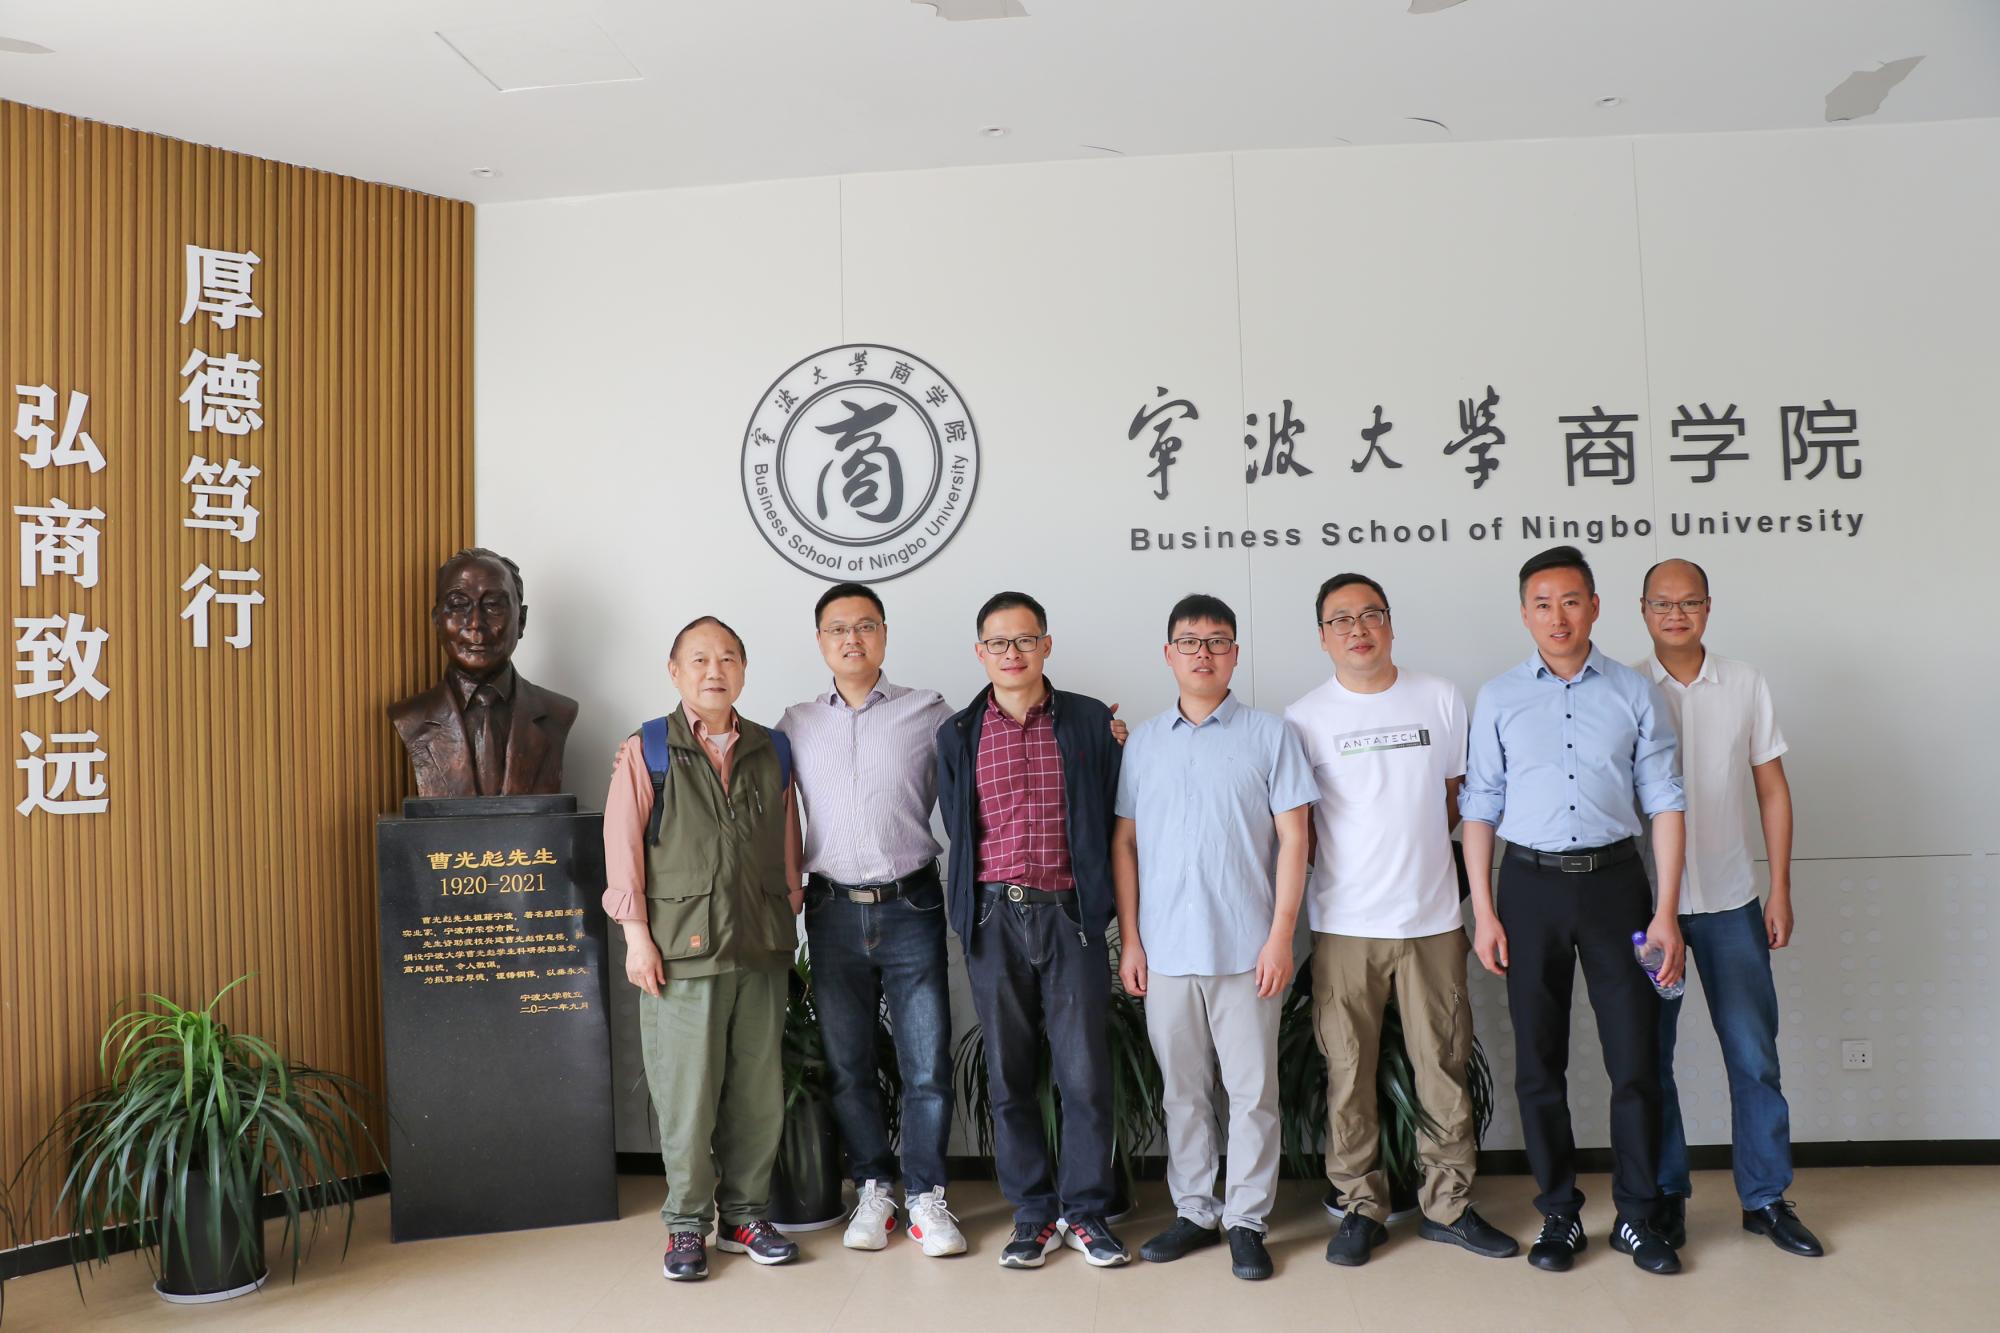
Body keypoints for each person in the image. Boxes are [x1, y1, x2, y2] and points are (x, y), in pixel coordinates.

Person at [1460, 545, 1687, 1276]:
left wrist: (1667, 912)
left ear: (1593, 606)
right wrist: (1485, 912)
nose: (1557, 616)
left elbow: (1666, 801)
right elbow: (1480, 805)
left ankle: (1637, 1216)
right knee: (1538, 1062)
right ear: (1525, 613)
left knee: (1635, 1059)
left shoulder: (1634, 692)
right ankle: (1558, 1212)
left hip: (1618, 885)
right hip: (1528, 889)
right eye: (1542, 603)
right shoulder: (1498, 696)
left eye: (1570, 601)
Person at [1283, 573, 1519, 1267]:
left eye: (1371, 615)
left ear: (1389, 624)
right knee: (1348, 1072)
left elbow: (1454, 798)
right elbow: (1302, 826)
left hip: (1432, 919)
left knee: (1442, 1064)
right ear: (1322, 636)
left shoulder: (1439, 697)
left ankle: (1449, 1206)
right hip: (1345, 924)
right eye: (1341, 619)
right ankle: (1360, 1205)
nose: (1357, 629)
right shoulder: (1303, 717)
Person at [1113, 593, 1315, 1282]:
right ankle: (1195, 1211)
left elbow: (1295, 839)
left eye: (1217, 641)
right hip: (1166, 951)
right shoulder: (1144, 742)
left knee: (1253, 1093)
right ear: (1168, 654)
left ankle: (1247, 1219)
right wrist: (1132, 940)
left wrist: (1281, 936)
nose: (1203, 653)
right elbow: (1125, 843)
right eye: (1190, 642)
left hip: (1248, 949)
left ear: (1235, 653)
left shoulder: (1271, 735)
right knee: (1183, 1092)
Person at [602, 616, 803, 1282]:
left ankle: (745, 1215)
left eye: (727, 658)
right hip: (681, 950)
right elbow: (622, 847)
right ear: (675, 671)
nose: (714, 670)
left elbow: (787, 838)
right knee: (686, 1097)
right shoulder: (649, 748)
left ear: (743, 668)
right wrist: (636, 937)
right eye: (699, 659)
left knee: (758, 1092)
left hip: (760, 945)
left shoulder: (772, 748)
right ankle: (687, 1224)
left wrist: (789, 905)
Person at [936, 591, 1128, 1269]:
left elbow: (1114, 815)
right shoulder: (958, 734)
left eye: (1024, 640)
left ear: (1046, 645)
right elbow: (959, 828)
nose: (1012, 653)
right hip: (993, 916)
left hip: (1069, 915)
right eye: (998, 642)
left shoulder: (1089, 721)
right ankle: (1032, 1214)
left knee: (1084, 1075)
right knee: (1008, 1076)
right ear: (980, 652)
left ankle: (1086, 1212)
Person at [1636, 559, 1823, 1257]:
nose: (1676, 614)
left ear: (1708, 608)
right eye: (1662, 603)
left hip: (1731, 902)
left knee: (1754, 1056)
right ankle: (1666, 1197)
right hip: (1648, 910)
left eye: (1688, 602)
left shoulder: (1745, 682)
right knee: (1649, 1060)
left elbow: (1772, 788)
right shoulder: (1624, 687)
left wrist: (1780, 887)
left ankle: (1765, 1197)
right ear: (1643, 610)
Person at [778, 582, 965, 1257]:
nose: (851, 639)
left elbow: (989, 765)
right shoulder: (795, 724)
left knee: (925, 1063)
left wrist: (1099, 733)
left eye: (864, 626)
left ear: (883, 634)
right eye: (837, 628)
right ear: (820, 641)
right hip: (831, 910)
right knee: (848, 1061)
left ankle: (926, 1194)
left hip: (911, 904)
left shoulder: (930, 712)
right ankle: (874, 1187)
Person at [389, 547, 577, 797]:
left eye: (492, 605)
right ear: (437, 621)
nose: (476, 623)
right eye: (458, 605)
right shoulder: (410, 718)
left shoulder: (558, 713)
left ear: (521, 620)